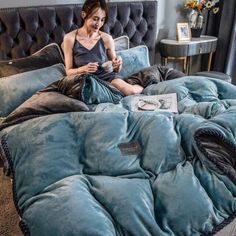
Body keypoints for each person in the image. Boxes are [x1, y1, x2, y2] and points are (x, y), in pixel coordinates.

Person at [63, 0, 143, 96]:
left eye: (102, 20)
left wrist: (118, 63)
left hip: (107, 77)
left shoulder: (106, 38)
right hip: (85, 79)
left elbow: (116, 70)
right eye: (95, 19)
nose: (99, 24)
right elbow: (68, 71)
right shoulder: (70, 38)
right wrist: (83, 69)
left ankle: (144, 86)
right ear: (84, 15)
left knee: (131, 91)